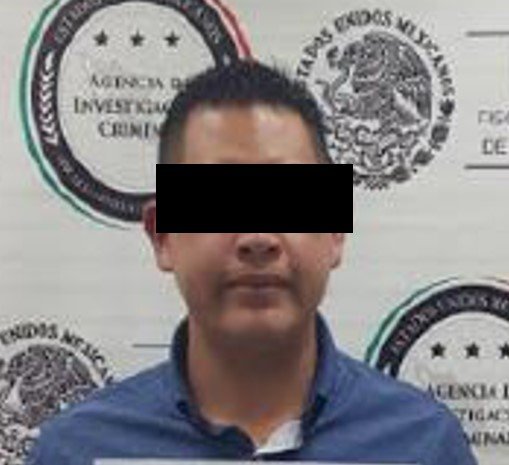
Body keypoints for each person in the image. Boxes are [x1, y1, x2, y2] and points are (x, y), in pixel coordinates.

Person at [26, 60, 477, 465]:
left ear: (336, 231)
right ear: (162, 237)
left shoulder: (424, 446)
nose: (258, 239)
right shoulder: (77, 451)